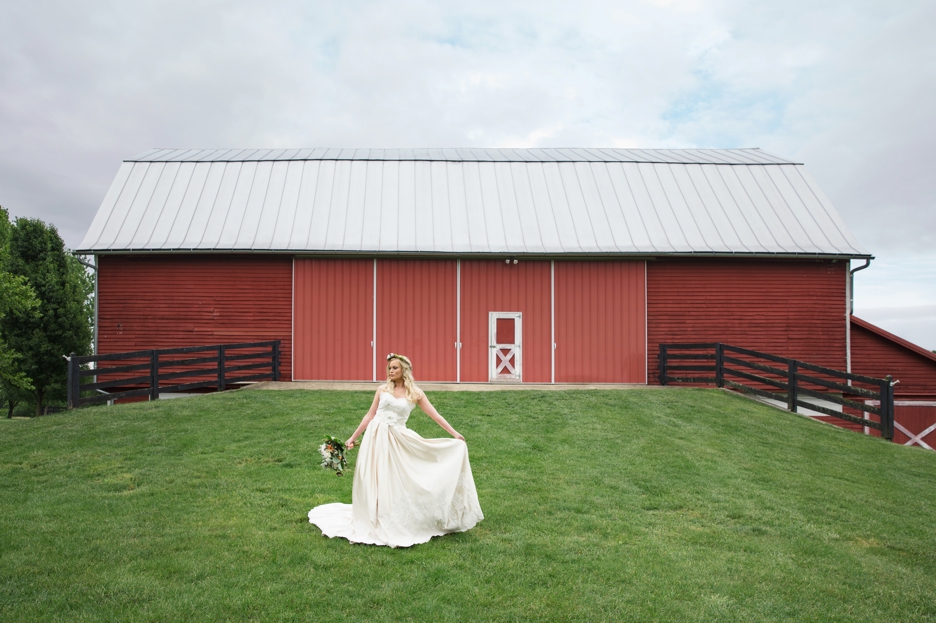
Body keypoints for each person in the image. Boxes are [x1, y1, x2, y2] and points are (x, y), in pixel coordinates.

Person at [308, 353, 484, 547]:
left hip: (397, 438)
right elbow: (370, 415)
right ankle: (374, 514)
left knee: (396, 478)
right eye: (389, 368)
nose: (391, 371)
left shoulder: (415, 393)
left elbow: (435, 416)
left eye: (395, 368)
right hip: (375, 437)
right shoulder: (382, 389)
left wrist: (455, 433)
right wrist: (353, 437)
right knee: (374, 477)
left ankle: (394, 514)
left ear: (404, 370)